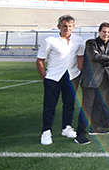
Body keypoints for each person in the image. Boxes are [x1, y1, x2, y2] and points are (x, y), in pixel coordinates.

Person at [36, 15, 84, 145]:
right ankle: (46, 131)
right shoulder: (49, 40)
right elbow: (40, 60)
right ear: (59, 27)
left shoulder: (78, 40)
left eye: (69, 26)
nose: (67, 28)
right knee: (49, 106)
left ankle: (66, 127)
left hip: (72, 76)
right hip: (53, 77)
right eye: (64, 26)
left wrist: (80, 72)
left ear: (73, 27)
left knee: (69, 104)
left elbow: (80, 57)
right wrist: (44, 77)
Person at [76, 22, 109, 144]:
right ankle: (80, 133)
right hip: (91, 80)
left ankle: (95, 128)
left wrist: (104, 58)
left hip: (106, 80)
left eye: (108, 32)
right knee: (87, 107)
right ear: (99, 31)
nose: (106, 34)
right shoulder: (91, 43)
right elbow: (93, 57)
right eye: (104, 31)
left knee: (99, 105)